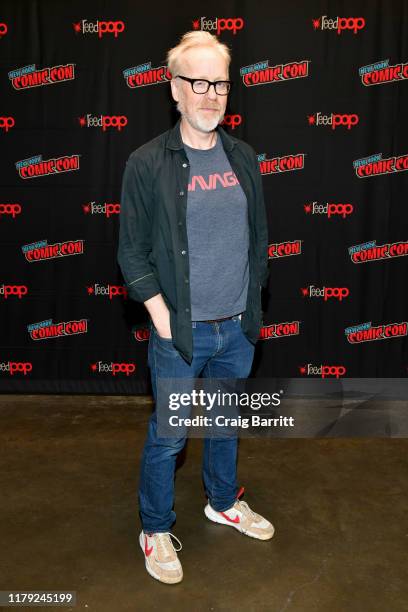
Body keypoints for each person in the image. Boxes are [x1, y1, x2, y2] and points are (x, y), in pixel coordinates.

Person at [117, 30, 273, 585]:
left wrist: (250, 308)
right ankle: (155, 527)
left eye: (221, 84)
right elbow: (130, 251)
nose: (210, 94)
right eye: (197, 82)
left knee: (226, 424)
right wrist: (160, 315)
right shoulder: (146, 163)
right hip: (181, 332)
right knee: (170, 436)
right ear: (174, 90)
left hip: (237, 329)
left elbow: (258, 240)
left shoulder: (244, 157)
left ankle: (223, 501)